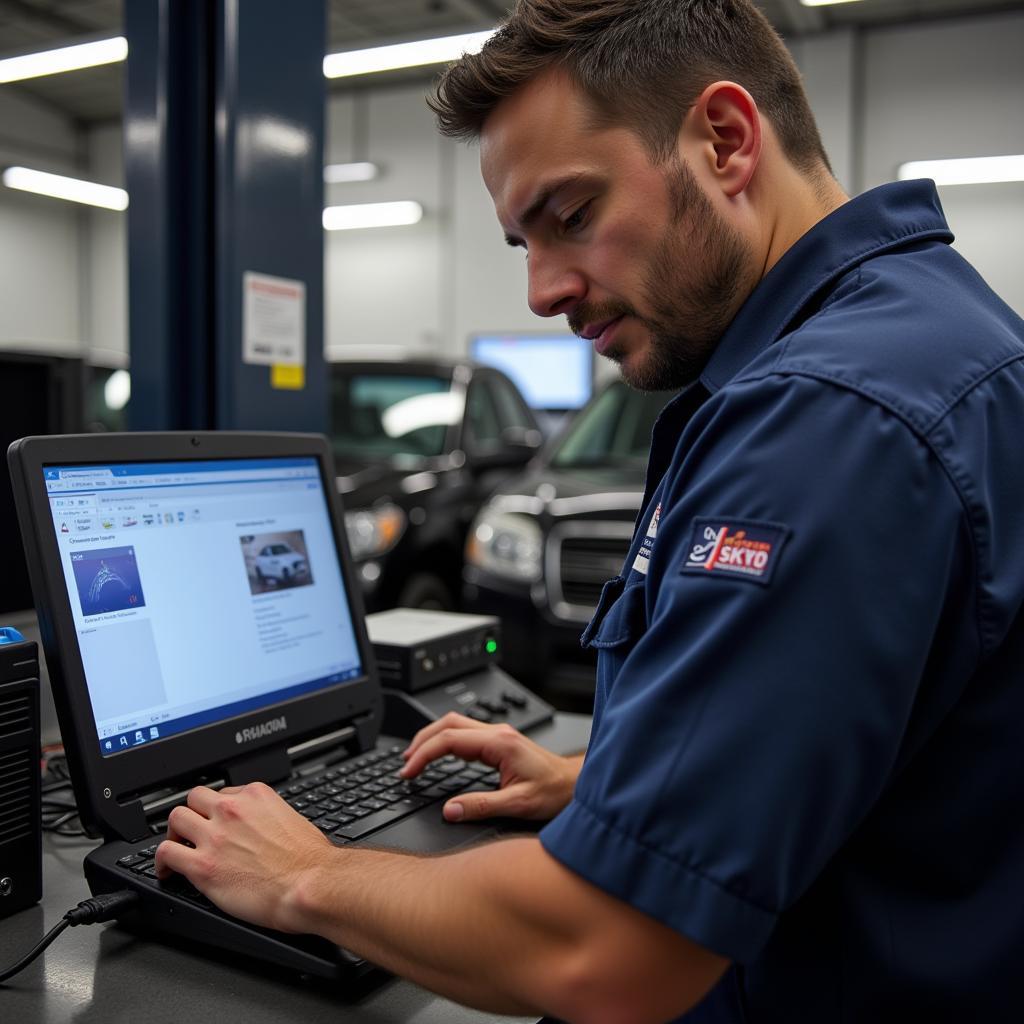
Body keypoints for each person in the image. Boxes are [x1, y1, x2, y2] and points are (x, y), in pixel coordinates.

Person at [156, 1, 1024, 1020]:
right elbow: (891, 753)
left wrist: (303, 874)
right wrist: (606, 784)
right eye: (522, 238)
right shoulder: (933, 337)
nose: (540, 292)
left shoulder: (827, 419)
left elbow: (612, 946)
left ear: (726, 141)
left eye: (569, 214)